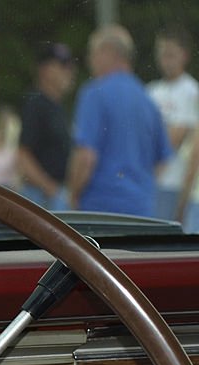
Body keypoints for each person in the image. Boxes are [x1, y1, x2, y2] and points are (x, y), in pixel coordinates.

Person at [66, 25, 172, 216]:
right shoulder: (148, 100)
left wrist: (72, 196)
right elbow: (162, 160)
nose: (89, 60)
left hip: (100, 209)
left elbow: (86, 157)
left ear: (108, 52)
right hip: (142, 210)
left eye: (92, 52)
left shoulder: (94, 93)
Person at [148, 28, 199, 221]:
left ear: (184, 56)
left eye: (171, 54)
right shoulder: (152, 90)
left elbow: (175, 138)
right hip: (153, 181)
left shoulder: (190, 91)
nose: (166, 60)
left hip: (173, 182)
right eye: (162, 54)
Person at [17, 42, 75, 209]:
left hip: (55, 193)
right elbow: (23, 155)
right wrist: (50, 188)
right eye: (63, 66)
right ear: (45, 70)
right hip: (43, 197)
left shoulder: (58, 107)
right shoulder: (36, 105)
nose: (69, 71)